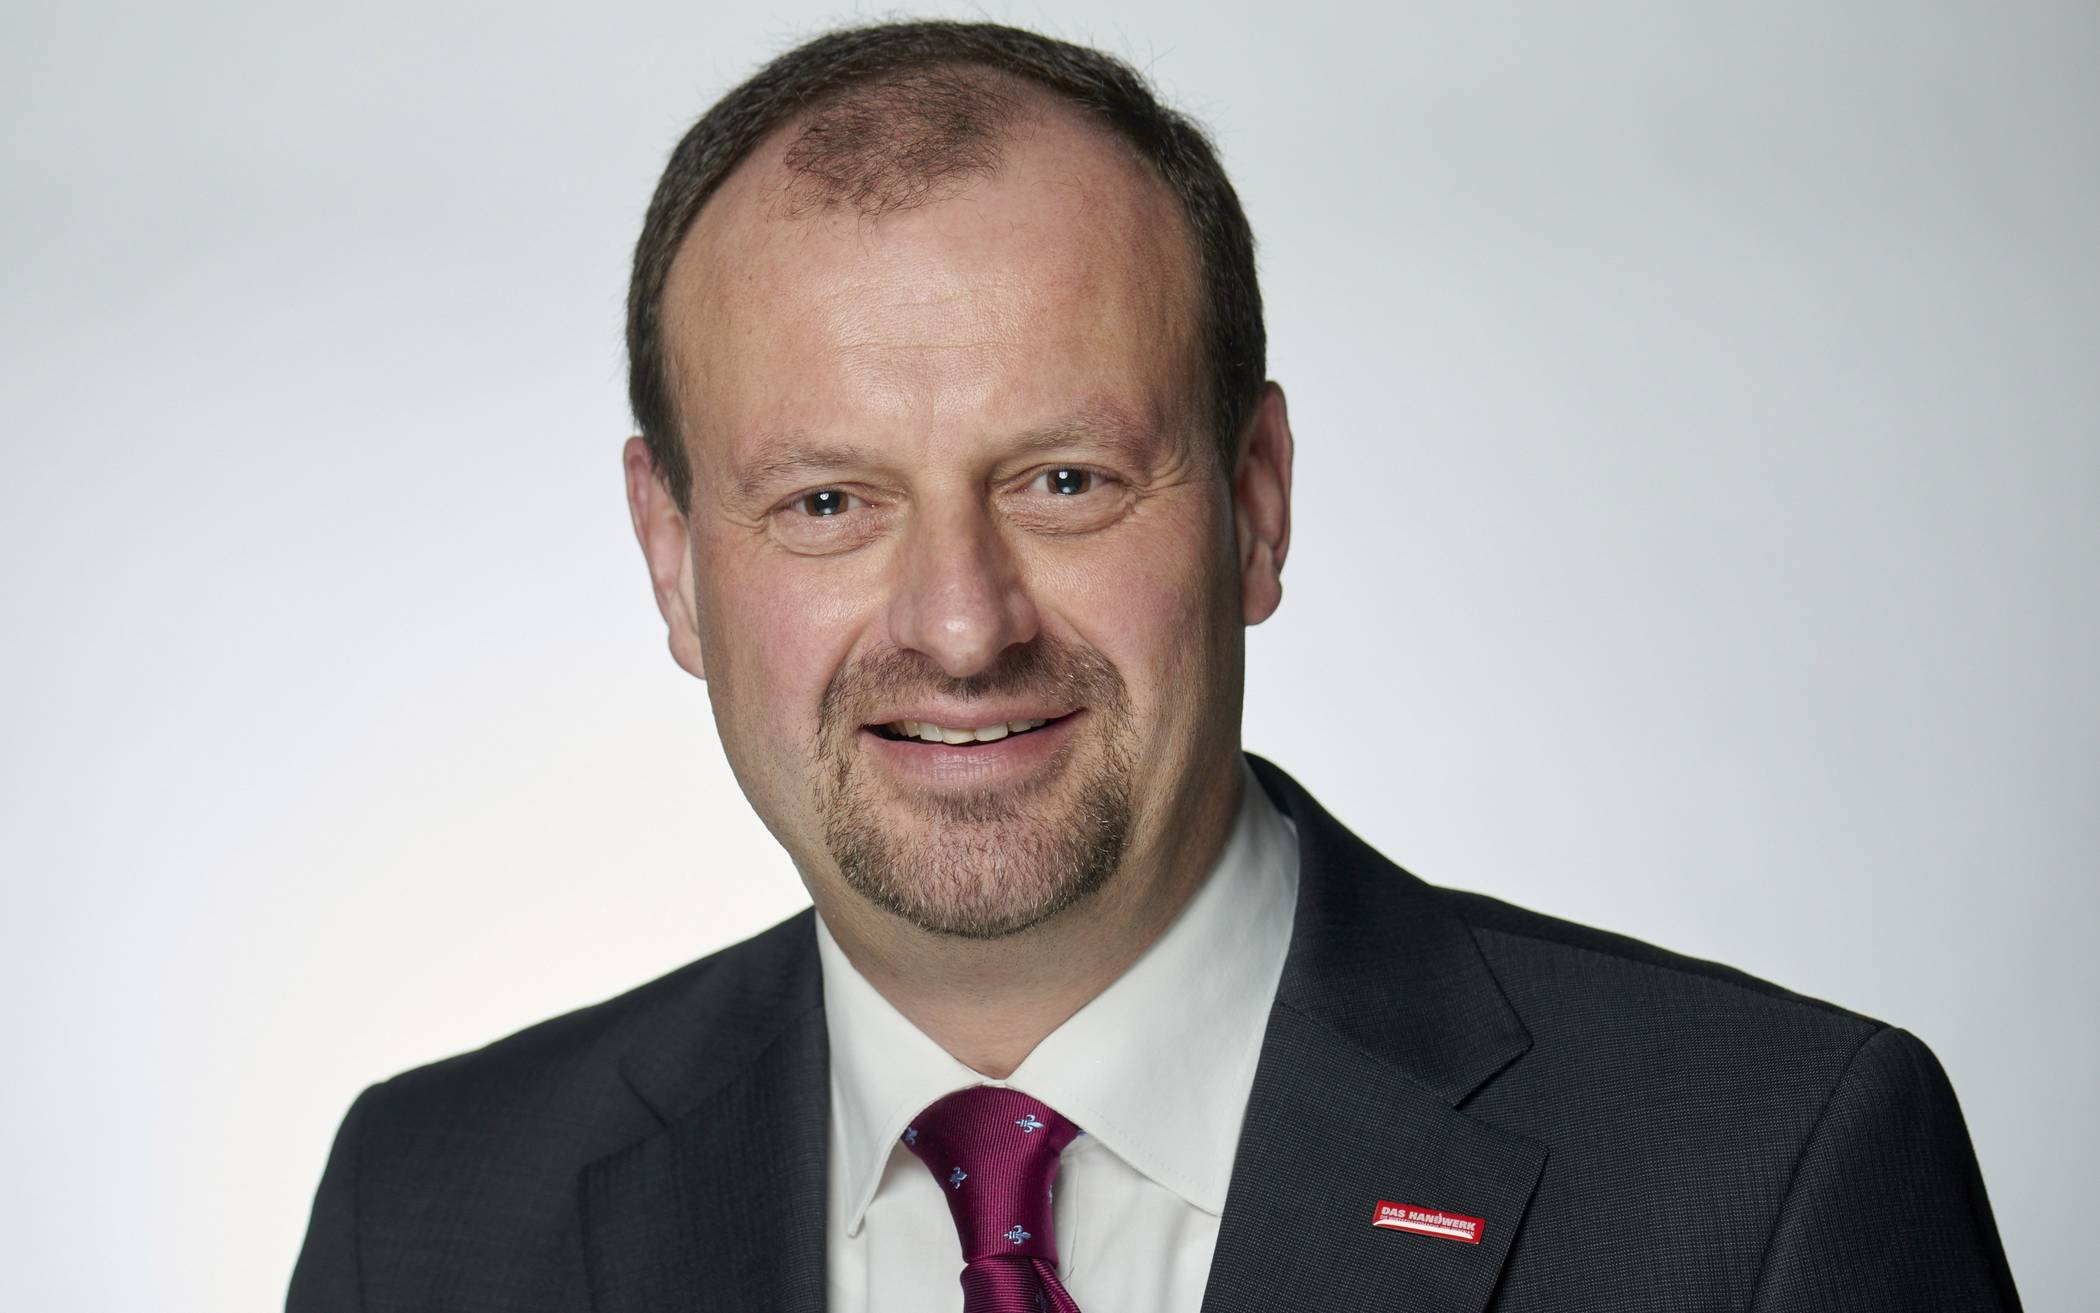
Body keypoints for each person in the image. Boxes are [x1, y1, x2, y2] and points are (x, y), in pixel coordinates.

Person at [288, 19, 2019, 1312]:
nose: (961, 625)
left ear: (1255, 504)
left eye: (1065, 480)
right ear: (673, 558)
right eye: (827, 501)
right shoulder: (430, 1215)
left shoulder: (1761, 1184)